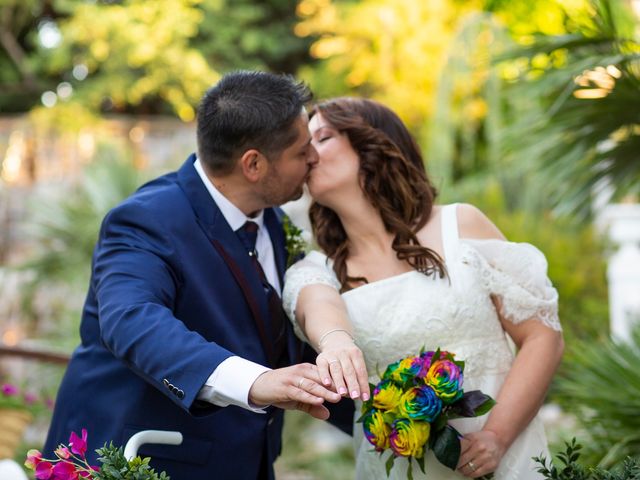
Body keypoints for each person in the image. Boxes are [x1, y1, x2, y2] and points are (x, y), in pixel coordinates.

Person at [44, 71, 345, 480]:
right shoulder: (146, 220)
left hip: (244, 464)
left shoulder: (271, 218)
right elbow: (132, 321)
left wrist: (401, 414)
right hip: (146, 460)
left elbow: (277, 330)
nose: (314, 158)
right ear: (253, 164)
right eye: (301, 151)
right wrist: (256, 382)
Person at [282, 97, 564, 479]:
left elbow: (542, 337)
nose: (307, 150)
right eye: (302, 143)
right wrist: (335, 341)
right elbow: (316, 304)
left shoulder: (461, 226)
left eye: (323, 136)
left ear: (373, 144)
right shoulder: (319, 269)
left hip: (505, 456)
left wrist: (496, 436)